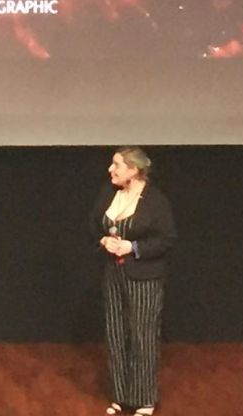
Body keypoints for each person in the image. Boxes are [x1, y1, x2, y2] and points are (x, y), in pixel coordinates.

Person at [92, 147, 175, 416]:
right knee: (116, 332)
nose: (110, 169)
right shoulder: (109, 193)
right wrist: (103, 240)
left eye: (116, 165)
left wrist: (132, 247)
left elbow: (166, 239)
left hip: (144, 277)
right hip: (113, 274)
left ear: (133, 170)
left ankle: (144, 399)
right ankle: (120, 395)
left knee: (142, 335)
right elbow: (93, 224)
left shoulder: (155, 201)